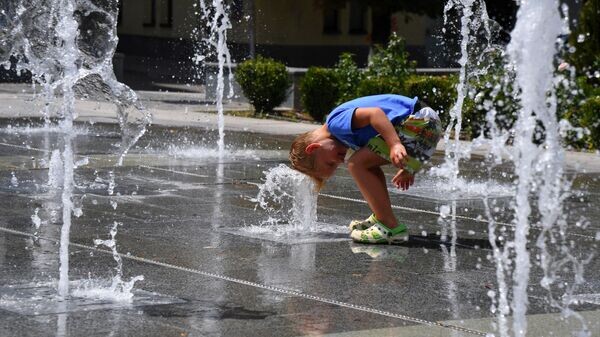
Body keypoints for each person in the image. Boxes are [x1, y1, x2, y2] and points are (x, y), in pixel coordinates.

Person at [289, 94, 442, 244]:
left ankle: (390, 226)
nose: (340, 161)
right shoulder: (344, 136)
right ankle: (381, 215)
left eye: (331, 163)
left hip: (417, 119)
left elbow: (375, 114)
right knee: (367, 164)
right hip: (424, 124)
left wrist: (394, 144)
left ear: (314, 148)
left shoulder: (335, 123)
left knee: (356, 164)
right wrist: (410, 167)